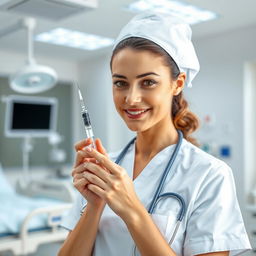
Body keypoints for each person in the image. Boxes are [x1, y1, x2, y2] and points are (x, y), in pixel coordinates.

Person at [58, 11, 251, 256]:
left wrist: (132, 210)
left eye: (148, 82)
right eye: (120, 83)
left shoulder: (210, 175)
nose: (131, 98)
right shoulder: (106, 169)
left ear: (177, 83)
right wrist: (94, 207)